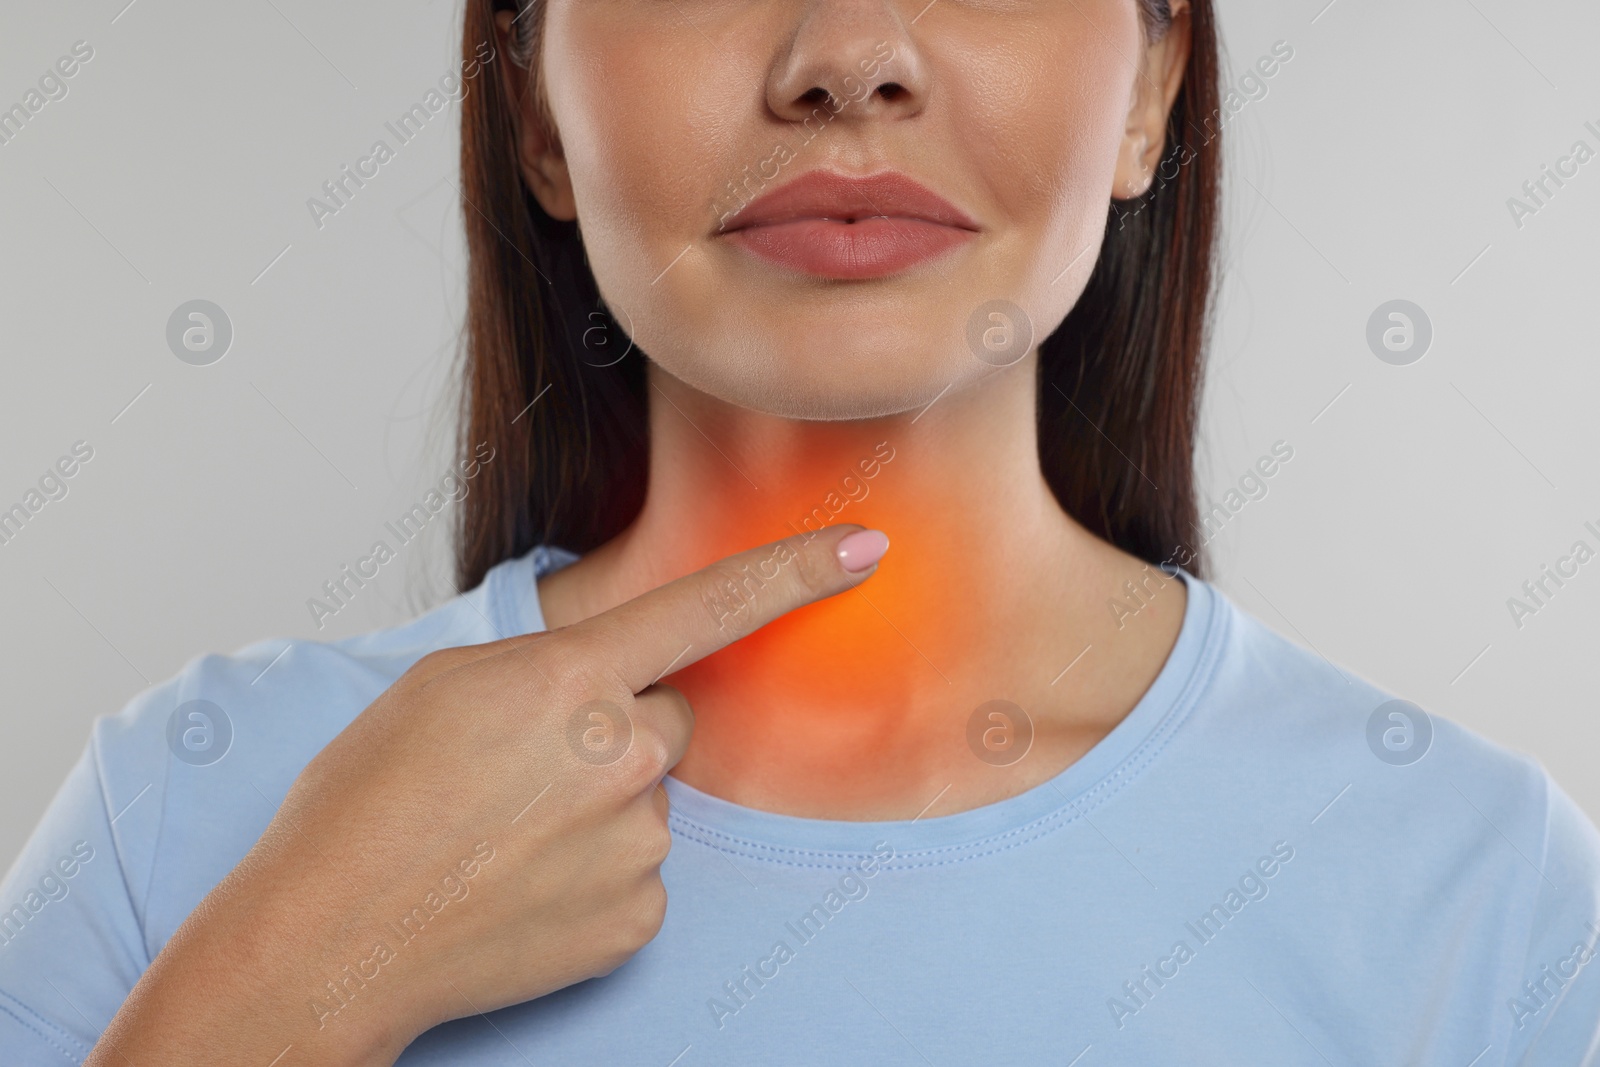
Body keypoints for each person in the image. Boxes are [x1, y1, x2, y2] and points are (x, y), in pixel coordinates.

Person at [4, 0, 1597, 1063]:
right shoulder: (184, 812)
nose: (849, 57)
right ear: (537, 109)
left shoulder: (1475, 889)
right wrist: (277, 994)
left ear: (1153, 88)